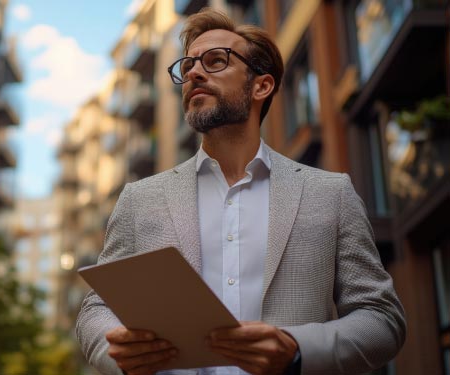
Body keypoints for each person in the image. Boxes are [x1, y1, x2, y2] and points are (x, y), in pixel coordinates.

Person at [76, 8, 406, 375]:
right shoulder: (140, 199)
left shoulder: (331, 193)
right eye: (187, 68)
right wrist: (118, 353)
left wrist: (297, 350)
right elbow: (96, 308)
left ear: (261, 86)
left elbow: (382, 318)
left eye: (215, 61)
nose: (194, 73)